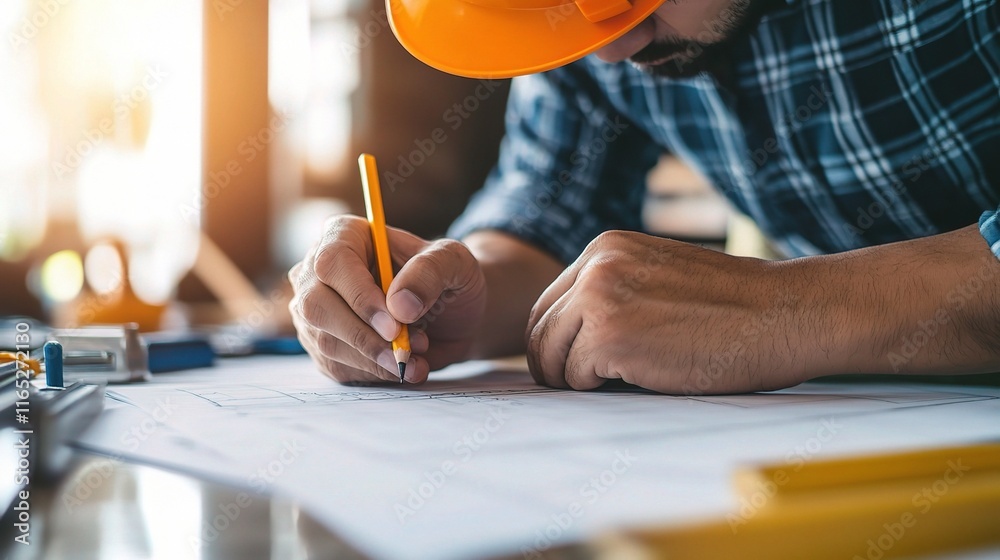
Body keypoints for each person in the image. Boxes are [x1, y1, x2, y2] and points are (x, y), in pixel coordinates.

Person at [288, 0, 1000, 394]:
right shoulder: (582, 23)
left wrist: (787, 308)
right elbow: (547, 211)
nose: (610, 50)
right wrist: (448, 298)